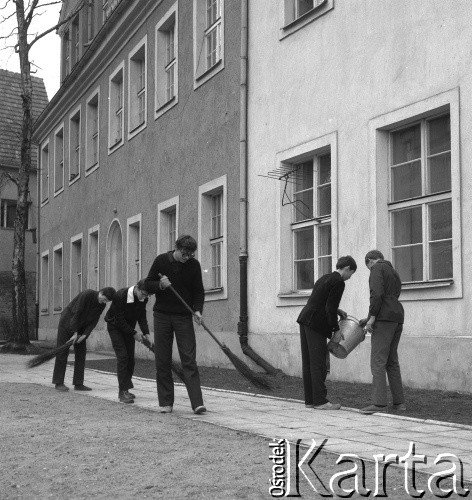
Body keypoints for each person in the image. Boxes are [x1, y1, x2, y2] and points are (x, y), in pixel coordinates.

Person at [145, 235, 206, 415]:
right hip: (162, 316)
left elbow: (198, 291)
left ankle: (197, 404)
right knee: (162, 359)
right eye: (184, 254)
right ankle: (166, 403)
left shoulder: (194, 265)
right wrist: (160, 285)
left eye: (190, 255)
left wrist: (197, 310)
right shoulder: (161, 261)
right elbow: (147, 285)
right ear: (177, 248)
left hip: (183, 317)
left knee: (189, 359)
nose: (187, 258)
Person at [297, 256, 357, 410]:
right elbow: (328, 308)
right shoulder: (338, 282)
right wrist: (336, 331)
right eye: (351, 274)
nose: (350, 278)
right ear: (347, 268)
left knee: (308, 362)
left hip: (305, 319)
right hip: (316, 323)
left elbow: (320, 300)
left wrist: (338, 310)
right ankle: (320, 401)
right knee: (318, 362)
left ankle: (310, 400)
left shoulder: (325, 277)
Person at [359, 250, 405, 414]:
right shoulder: (394, 271)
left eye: (368, 266)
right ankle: (399, 403)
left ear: (370, 261)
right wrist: (369, 316)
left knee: (378, 360)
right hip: (397, 316)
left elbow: (377, 294)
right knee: (392, 361)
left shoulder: (376, 269)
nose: (369, 269)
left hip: (383, 319)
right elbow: (391, 296)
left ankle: (379, 403)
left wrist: (372, 318)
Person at [52, 287, 116, 392]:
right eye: (104, 298)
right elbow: (77, 312)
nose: (104, 302)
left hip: (81, 327)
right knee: (62, 352)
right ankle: (58, 382)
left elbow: (94, 321)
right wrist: (74, 332)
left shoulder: (101, 305)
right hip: (67, 322)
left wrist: (85, 335)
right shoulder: (87, 294)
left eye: (106, 301)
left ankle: (78, 383)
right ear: (101, 292)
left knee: (81, 353)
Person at [105, 280, 153, 404]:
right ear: (136, 288)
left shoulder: (143, 298)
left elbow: (142, 316)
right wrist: (134, 333)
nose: (144, 297)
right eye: (143, 294)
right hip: (115, 326)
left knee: (131, 359)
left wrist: (147, 333)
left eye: (147, 295)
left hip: (128, 328)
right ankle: (122, 392)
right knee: (123, 357)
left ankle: (125, 388)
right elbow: (119, 319)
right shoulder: (120, 295)